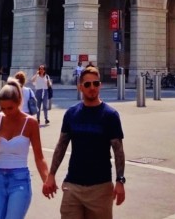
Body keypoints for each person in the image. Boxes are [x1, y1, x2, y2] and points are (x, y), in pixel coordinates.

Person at [42, 65, 126, 217]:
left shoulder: (110, 115)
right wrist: (51, 175)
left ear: (100, 85)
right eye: (87, 84)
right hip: (73, 186)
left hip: (101, 187)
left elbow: (118, 150)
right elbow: (61, 145)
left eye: (96, 83)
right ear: (80, 87)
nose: (92, 87)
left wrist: (120, 181)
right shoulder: (71, 114)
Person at [0, 82, 50, 218]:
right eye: (3, 108)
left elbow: (39, 156)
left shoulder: (30, 123)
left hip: (19, 181)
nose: (7, 112)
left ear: (19, 101)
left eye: (10, 108)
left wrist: (47, 180)